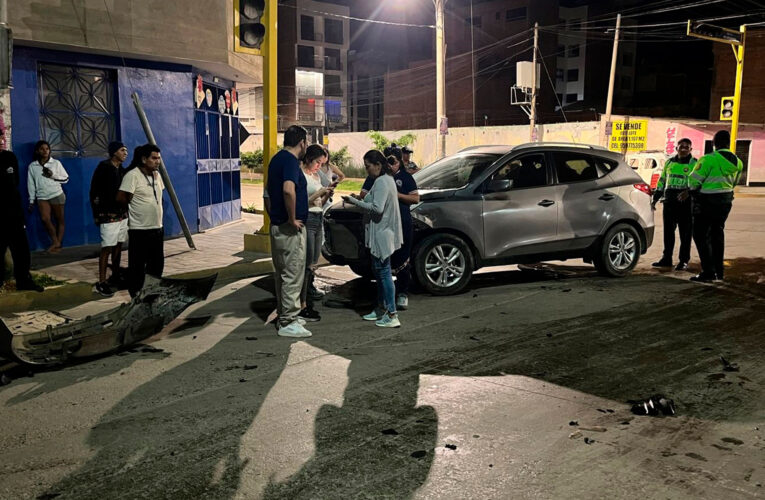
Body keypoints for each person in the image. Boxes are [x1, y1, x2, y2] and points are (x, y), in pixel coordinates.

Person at [342, 150, 403, 328]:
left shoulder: (383, 182)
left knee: (384, 274)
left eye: (368, 166)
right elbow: (371, 201)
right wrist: (357, 199)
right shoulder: (383, 180)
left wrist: (354, 202)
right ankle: (381, 308)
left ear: (378, 165)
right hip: (382, 233)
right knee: (380, 273)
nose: (367, 170)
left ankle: (392, 314)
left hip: (382, 234)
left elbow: (377, 209)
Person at [266, 125, 311, 338]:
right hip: (289, 229)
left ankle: (286, 313)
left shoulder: (276, 160)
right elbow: (288, 189)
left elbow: (267, 194)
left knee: (282, 274)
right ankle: (288, 321)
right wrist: (292, 218)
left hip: (277, 226)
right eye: (306, 142)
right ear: (302, 142)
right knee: (293, 273)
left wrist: (274, 216)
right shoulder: (291, 162)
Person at [686, 130, 743, 283]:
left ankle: (708, 271)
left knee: (700, 235)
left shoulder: (708, 159)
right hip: (725, 202)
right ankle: (719, 271)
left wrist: (693, 191)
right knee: (717, 234)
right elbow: (735, 182)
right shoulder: (738, 161)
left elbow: (693, 181)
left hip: (706, 202)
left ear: (714, 143)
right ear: (728, 143)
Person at [117, 144, 165, 297]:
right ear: (144, 159)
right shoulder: (132, 175)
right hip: (140, 230)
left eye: (159, 158)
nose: (157, 161)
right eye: (154, 158)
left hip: (157, 228)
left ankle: (151, 295)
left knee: (156, 266)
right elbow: (121, 198)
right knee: (137, 267)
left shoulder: (157, 175)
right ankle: (136, 296)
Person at [298, 145, 335, 322]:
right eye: (318, 162)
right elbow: (302, 203)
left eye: (322, 163)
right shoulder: (302, 175)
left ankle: (308, 298)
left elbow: (319, 202)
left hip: (318, 218)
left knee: (313, 263)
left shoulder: (315, 175)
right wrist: (319, 192)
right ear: (309, 159)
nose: (320, 166)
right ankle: (302, 303)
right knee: (307, 264)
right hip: (308, 219)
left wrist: (326, 194)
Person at [1, 142, 43, 292]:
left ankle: (24, 281)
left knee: (22, 250)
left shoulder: (9, 157)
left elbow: (15, 183)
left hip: (13, 214)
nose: (0, 141)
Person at [90, 141, 129, 296]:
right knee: (107, 248)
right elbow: (94, 192)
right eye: (122, 150)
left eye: (126, 150)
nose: (125, 153)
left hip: (122, 214)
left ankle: (115, 275)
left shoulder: (122, 170)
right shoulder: (104, 168)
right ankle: (102, 281)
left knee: (119, 245)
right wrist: (98, 213)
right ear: (114, 152)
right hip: (108, 215)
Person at [651, 138, 696, 271]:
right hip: (670, 202)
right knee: (668, 233)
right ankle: (667, 258)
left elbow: (699, 182)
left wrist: (688, 192)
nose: (683, 149)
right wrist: (655, 199)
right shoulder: (669, 162)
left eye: (686, 147)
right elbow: (662, 181)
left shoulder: (695, 163)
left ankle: (683, 260)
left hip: (686, 204)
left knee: (685, 234)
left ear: (690, 149)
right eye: (681, 146)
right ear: (676, 148)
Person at [384, 145, 419, 310]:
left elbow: (415, 198)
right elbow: (365, 193)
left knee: (403, 258)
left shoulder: (405, 177)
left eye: (393, 162)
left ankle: (403, 293)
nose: (390, 165)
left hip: (402, 222)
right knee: (385, 259)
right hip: (384, 224)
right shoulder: (379, 177)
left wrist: (395, 194)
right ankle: (385, 295)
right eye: (387, 161)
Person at [27, 140, 69, 252]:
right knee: (45, 219)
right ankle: (55, 241)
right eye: (42, 149)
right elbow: (31, 184)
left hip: (56, 194)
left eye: (47, 148)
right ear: (37, 151)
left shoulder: (56, 163)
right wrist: (31, 200)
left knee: (60, 220)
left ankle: (58, 245)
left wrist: (52, 175)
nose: (45, 151)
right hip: (41, 196)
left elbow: (65, 178)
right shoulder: (33, 166)